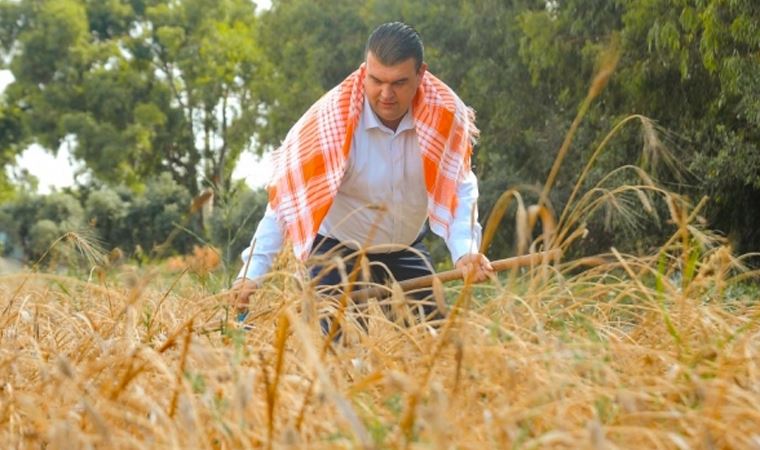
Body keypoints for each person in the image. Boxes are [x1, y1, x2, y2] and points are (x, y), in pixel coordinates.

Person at [232, 22, 493, 320]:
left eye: (398, 83)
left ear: (421, 75)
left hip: (404, 246)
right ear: (364, 70)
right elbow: (283, 203)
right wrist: (251, 273)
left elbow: (459, 185)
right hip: (336, 250)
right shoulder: (328, 124)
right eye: (376, 80)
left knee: (434, 344)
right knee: (339, 349)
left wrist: (465, 250)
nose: (386, 94)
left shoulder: (446, 115)